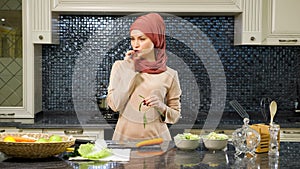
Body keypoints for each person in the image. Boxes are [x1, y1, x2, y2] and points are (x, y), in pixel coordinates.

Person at [106, 13, 182, 141]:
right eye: (132, 39)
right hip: (123, 142)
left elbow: (175, 116)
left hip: (159, 142)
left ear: (156, 40)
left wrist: (161, 106)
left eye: (142, 39)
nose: (135, 44)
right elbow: (114, 105)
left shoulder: (170, 74)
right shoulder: (120, 66)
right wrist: (130, 71)